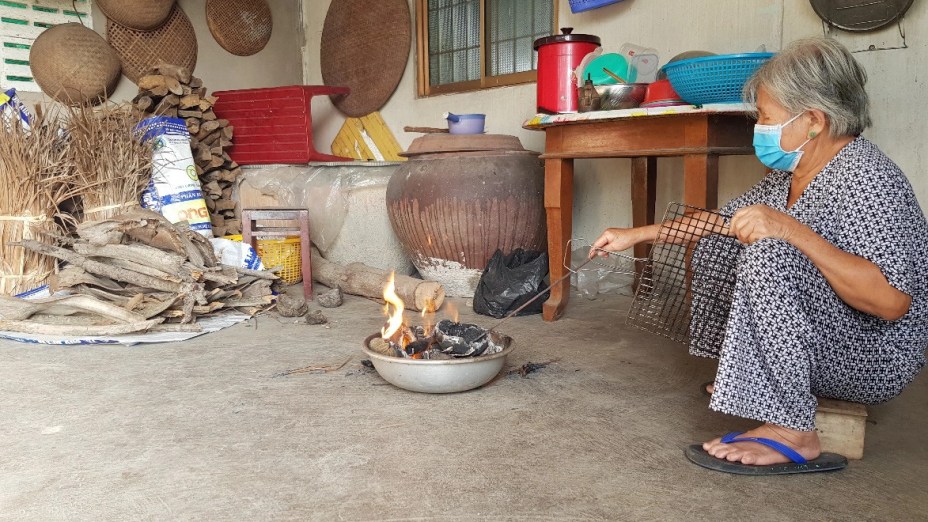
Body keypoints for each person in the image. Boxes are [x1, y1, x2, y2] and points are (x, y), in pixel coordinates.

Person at [590, 37, 928, 474]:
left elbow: (891, 302)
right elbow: (722, 221)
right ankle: (754, 379)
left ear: (813, 121)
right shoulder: (791, 173)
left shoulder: (869, 179)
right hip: (829, 336)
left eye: (766, 118)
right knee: (722, 242)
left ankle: (794, 430)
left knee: (768, 253)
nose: (759, 128)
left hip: (871, 356)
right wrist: (636, 233)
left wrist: (791, 230)